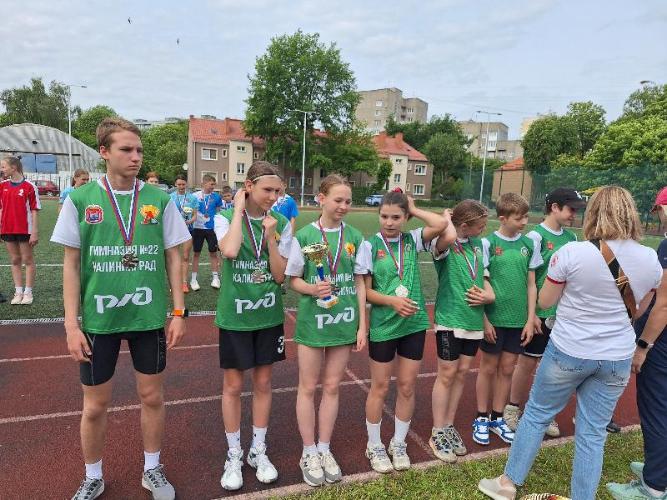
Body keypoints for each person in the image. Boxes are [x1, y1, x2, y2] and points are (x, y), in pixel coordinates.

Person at [479, 186, 663, 500]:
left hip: (569, 349)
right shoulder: (650, 258)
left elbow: (546, 300)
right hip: (616, 356)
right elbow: (641, 308)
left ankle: (508, 484)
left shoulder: (573, 252)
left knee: (537, 414)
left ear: (595, 213)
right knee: (592, 434)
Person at [51, 117, 191, 500]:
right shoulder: (80, 199)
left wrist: (179, 312)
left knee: (152, 397)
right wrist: (71, 325)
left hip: (148, 318)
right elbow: (70, 264)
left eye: (139, 150)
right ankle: (93, 476)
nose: (136, 157)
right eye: (126, 149)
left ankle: (152, 469)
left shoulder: (159, 199)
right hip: (99, 321)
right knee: (95, 405)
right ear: (104, 152)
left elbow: (174, 256)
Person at [214, 161, 293, 491]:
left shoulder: (282, 223)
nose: (273, 197)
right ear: (248, 186)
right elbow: (231, 250)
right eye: (267, 190)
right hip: (235, 315)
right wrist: (237, 210)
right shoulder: (223, 217)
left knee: (263, 383)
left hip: (267, 315)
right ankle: (233, 453)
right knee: (233, 386)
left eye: (278, 191)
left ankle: (257, 450)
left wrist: (271, 237)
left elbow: (279, 275)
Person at [285, 174, 368, 487]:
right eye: (338, 200)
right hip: (313, 322)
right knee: (308, 387)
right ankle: (308, 452)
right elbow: (293, 280)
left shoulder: (356, 236)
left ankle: (324, 448)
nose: (344, 206)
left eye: (348, 201)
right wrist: (312, 288)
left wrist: (362, 324)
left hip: (343, 320)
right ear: (321, 198)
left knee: (332, 387)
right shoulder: (306, 236)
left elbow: (359, 282)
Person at [363, 190, 449, 473]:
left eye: (396, 217)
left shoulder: (413, 239)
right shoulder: (369, 245)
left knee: (407, 386)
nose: (389, 222)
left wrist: (414, 207)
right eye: (384, 216)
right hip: (384, 324)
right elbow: (366, 292)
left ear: (406, 218)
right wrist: (392, 302)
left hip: (413, 323)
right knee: (379, 387)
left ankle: (398, 443)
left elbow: (441, 224)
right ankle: (374, 444)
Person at [504, 188, 584, 438]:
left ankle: (543, 413)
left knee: (556, 368)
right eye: (571, 209)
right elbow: (528, 279)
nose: (574, 214)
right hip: (539, 314)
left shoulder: (572, 238)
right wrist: (532, 314)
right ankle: (512, 408)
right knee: (527, 362)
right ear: (555, 207)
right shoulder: (535, 237)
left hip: (563, 316)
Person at [607, 186, 667, 500]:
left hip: (661, 343)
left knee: (656, 408)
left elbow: (664, 304)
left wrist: (643, 346)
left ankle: (654, 485)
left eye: (658, 210)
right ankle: (659, 467)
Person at [430, 200, 495, 463]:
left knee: (461, 374)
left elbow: (485, 281)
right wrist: (447, 220)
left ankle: (448, 425)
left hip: (473, 322)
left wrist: (489, 297)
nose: (483, 230)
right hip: (450, 319)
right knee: (446, 374)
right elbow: (447, 237)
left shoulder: (479, 245)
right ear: (465, 225)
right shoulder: (444, 244)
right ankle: (437, 431)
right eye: (480, 226)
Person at [474, 192, 540, 446]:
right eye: (519, 218)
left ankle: (497, 418)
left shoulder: (529, 244)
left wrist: (530, 318)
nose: (524, 222)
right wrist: (485, 321)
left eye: (525, 217)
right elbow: (480, 283)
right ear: (503, 218)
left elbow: (531, 284)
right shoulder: (487, 243)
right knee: (488, 368)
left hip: (518, 320)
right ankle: (481, 417)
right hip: (494, 319)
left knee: (507, 369)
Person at [0, 156, 41, 305]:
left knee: (28, 260)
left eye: (3, 167)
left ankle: (28, 292)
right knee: (15, 260)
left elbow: (34, 210)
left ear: (14, 167)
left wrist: (34, 231)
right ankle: (18, 292)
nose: (1, 170)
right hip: (7, 229)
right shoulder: (2, 186)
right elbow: (1, 208)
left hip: (25, 229)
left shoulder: (30, 186)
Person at [191, 174, 223, 290]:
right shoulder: (194, 196)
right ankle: (193, 279)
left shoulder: (217, 197)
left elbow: (218, 212)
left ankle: (215, 278)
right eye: (211, 184)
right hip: (198, 228)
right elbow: (191, 211)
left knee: (213, 253)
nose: (213, 187)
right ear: (203, 184)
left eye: (214, 184)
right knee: (196, 253)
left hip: (211, 229)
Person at [170, 174, 198, 293]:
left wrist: (188, 222)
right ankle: (174, 283)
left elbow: (195, 216)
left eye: (183, 184)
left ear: (186, 184)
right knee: (174, 257)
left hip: (188, 230)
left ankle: (184, 283)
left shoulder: (192, 198)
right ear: (175, 184)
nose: (181, 186)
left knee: (185, 257)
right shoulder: (170, 197)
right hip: (174, 230)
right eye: (179, 184)